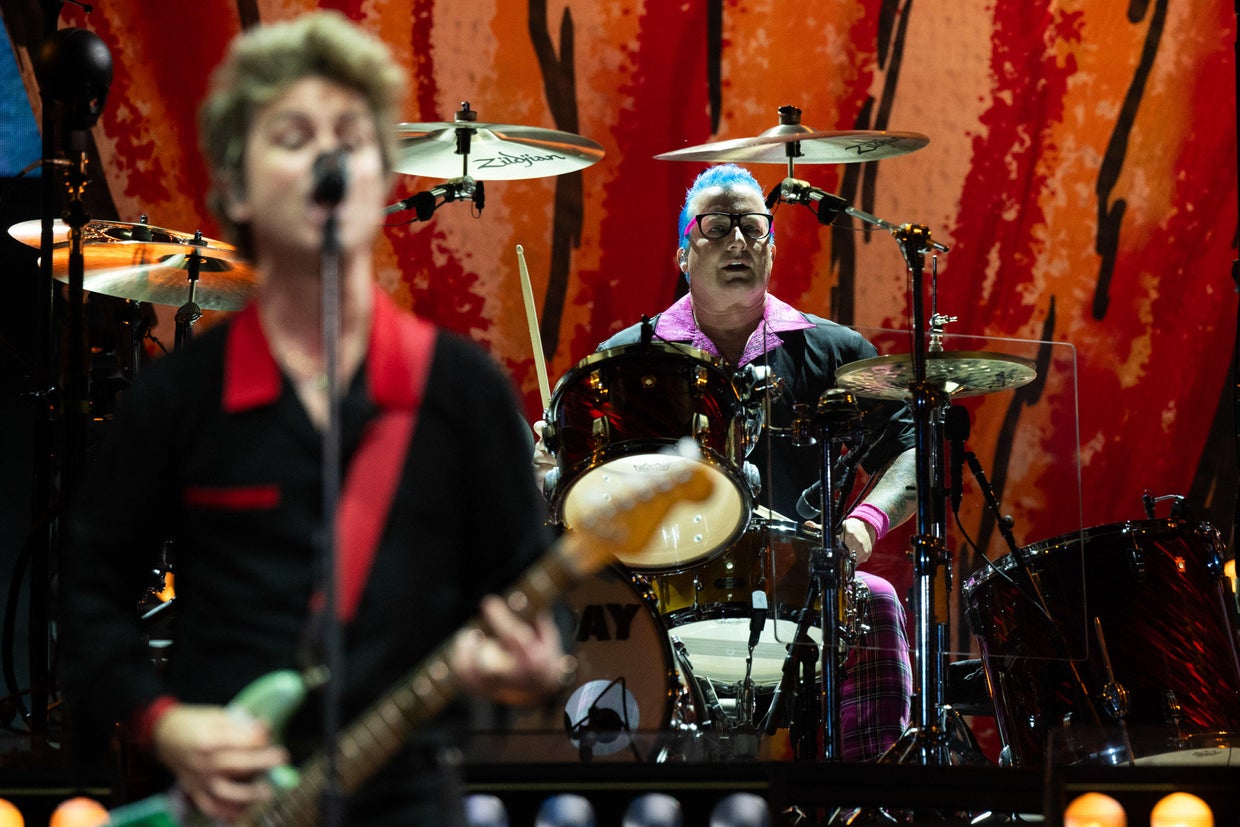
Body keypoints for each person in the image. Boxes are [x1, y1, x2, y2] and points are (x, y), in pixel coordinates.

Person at [62, 12, 567, 825]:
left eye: (350, 135)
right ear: (233, 183)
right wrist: (167, 721)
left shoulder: (460, 391)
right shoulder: (179, 398)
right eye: (292, 135)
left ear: (381, 177)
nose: (326, 158)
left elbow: (533, 593)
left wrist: (531, 664)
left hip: (406, 798)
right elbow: (89, 596)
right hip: (225, 803)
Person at [536, 163, 917, 762]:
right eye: (715, 227)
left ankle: (870, 802)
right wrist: (551, 470)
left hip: (798, 582)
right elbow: (570, 485)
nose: (737, 241)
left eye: (752, 226)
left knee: (874, 597)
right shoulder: (627, 362)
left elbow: (914, 453)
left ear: (772, 248)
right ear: (683, 252)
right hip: (658, 589)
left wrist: (861, 527)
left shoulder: (835, 353)